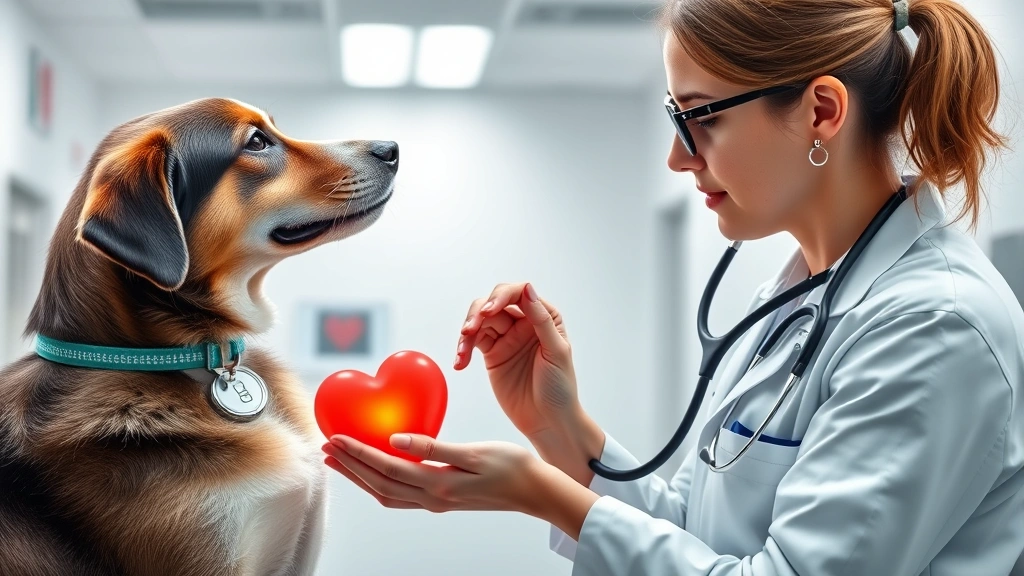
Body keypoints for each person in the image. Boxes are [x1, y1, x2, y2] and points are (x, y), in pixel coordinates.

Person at [320, 0, 1024, 573]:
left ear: (821, 113)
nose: (677, 156)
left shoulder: (934, 327)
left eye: (702, 118)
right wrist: (559, 427)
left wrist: (545, 496)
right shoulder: (794, 301)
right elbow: (692, 529)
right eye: (674, 118)